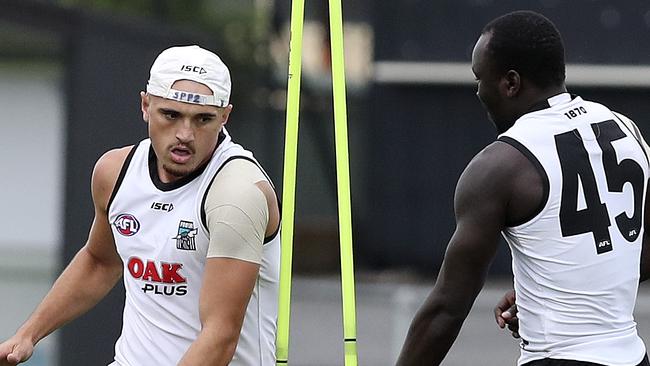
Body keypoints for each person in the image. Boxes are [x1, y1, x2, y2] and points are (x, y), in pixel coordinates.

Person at [397, 10, 650, 366]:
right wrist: (558, 290)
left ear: (511, 83)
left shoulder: (500, 167)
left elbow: (447, 310)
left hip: (558, 357)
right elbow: (636, 246)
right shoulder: (626, 129)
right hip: (633, 356)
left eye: (479, 78)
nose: (477, 91)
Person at [0, 45, 280, 366]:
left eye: (203, 119)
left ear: (225, 117)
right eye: (171, 115)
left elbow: (219, 335)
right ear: (146, 105)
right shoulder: (115, 171)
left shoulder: (236, 193)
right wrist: (28, 334)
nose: (185, 134)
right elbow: (99, 262)